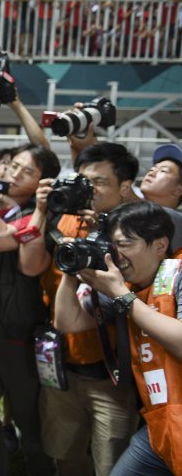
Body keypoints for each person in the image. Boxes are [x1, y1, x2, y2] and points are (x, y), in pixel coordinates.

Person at [22, 142, 141, 474]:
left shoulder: (136, 235)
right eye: (84, 181)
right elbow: (30, 266)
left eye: (100, 182)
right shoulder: (65, 221)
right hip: (61, 368)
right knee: (66, 457)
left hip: (112, 379)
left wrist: (107, 231)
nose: (89, 190)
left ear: (125, 188)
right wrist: (43, 210)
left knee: (112, 466)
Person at [53, 202, 182, 475]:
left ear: (160, 245)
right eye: (111, 245)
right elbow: (68, 322)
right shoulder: (126, 286)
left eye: (124, 244)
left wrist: (123, 297)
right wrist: (72, 271)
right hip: (160, 424)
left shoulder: (178, 274)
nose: (116, 255)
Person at [0, 142, 60, 476]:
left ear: (42, 183)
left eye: (28, 171)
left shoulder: (40, 216)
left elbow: (0, 240)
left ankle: (39, 469)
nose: (15, 173)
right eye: (14, 165)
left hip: (18, 334)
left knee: (28, 418)